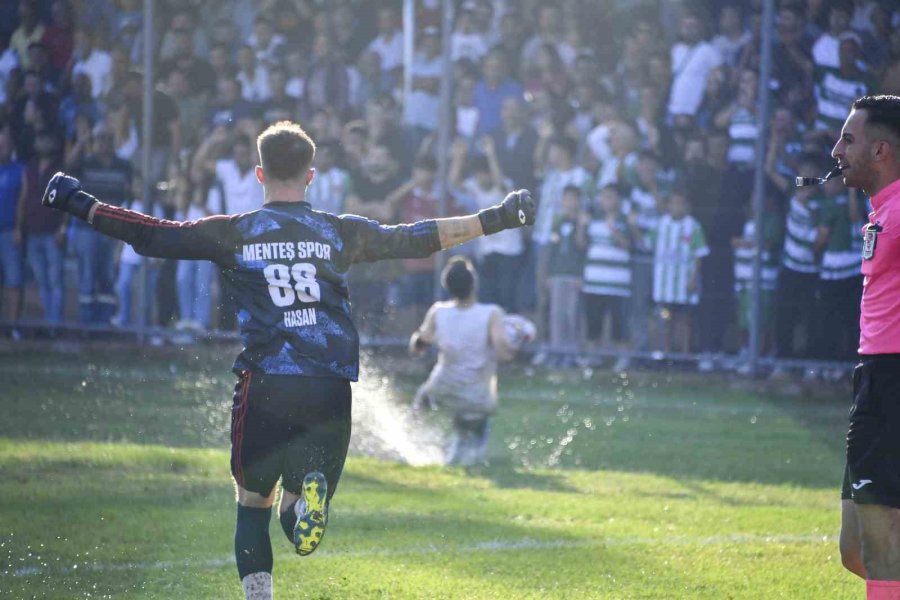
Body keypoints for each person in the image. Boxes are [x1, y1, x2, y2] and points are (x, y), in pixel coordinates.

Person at [40, 120, 535, 600]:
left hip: (267, 384)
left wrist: (81, 203)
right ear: (311, 175)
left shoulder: (236, 232)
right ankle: (303, 507)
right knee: (295, 512)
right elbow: (418, 236)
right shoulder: (337, 232)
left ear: (259, 173)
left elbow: (153, 234)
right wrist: (496, 217)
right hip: (329, 386)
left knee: (252, 507)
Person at [831, 95, 900, 596]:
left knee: (881, 550)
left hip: (893, 381)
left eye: (848, 139)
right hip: (873, 380)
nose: (837, 149)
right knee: (855, 549)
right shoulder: (882, 211)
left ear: (880, 150)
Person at [408, 256, 524, 467]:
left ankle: (415, 438)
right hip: (476, 397)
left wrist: (421, 341)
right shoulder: (491, 313)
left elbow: (418, 347)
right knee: (471, 451)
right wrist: (519, 338)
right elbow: (504, 352)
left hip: (442, 389)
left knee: (422, 399)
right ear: (474, 283)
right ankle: (464, 454)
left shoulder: (438, 311)